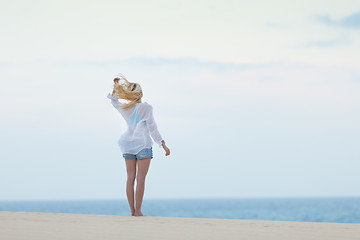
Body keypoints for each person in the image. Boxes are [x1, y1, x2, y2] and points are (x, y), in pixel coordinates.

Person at [107, 74, 171, 216]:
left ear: (129, 95)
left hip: (128, 145)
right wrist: (163, 144)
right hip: (143, 145)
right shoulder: (146, 108)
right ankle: (138, 211)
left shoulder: (125, 108)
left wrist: (116, 87)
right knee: (140, 179)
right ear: (141, 94)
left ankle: (131, 211)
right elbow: (153, 129)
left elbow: (114, 102)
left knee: (130, 178)